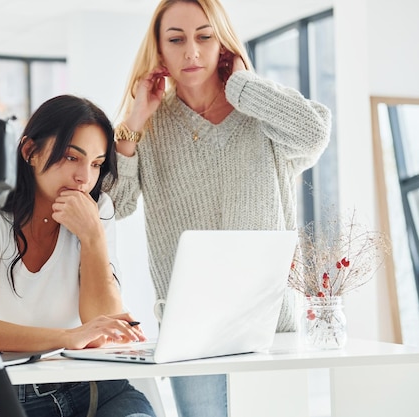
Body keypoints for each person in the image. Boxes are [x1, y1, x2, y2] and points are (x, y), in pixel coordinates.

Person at [105, 1, 332, 417]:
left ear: (222, 44)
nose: (191, 51)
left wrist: (245, 85)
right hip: (190, 327)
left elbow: (314, 132)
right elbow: (114, 205)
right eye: (176, 39)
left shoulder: (260, 114)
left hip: (270, 320)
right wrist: (133, 121)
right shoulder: (150, 128)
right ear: (159, 50)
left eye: (204, 36)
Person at [0, 94, 157, 417]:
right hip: (16, 398)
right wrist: (68, 338)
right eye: (71, 157)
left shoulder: (98, 210)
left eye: (95, 164)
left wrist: (92, 237)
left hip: (102, 390)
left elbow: (103, 322)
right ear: (30, 152)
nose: (85, 178)